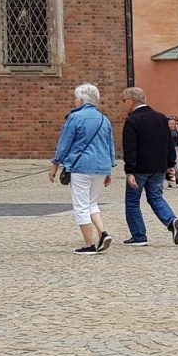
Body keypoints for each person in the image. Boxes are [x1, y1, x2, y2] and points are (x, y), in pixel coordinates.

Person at [49, 83, 115, 255]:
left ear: (81, 100)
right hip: (101, 166)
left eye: (76, 98)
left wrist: (55, 164)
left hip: (81, 166)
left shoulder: (75, 118)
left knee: (81, 206)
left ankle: (89, 244)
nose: (75, 101)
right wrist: (109, 170)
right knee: (91, 202)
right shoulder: (104, 119)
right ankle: (103, 232)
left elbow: (65, 143)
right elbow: (109, 145)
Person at [120, 87, 178, 247]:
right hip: (158, 167)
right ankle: (171, 220)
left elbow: (130, 148)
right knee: (156, 197)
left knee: (132, 202)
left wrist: (129, 171)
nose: (123, 104)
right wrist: (170, 164)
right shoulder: (161, 118)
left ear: (132, 101)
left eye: (124, 100)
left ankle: (139, 235)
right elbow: (169, 143)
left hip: (139, 168)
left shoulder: (132, 121)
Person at [166, 117, 178, 189]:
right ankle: (169, 183)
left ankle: (177, 179)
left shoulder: (176, 131)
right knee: (168, 168)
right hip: (167, 150)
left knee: (176, 167)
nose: (172, 125)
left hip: (175, 149)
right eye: (170, 124)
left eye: (173, 124)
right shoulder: (165, 131)